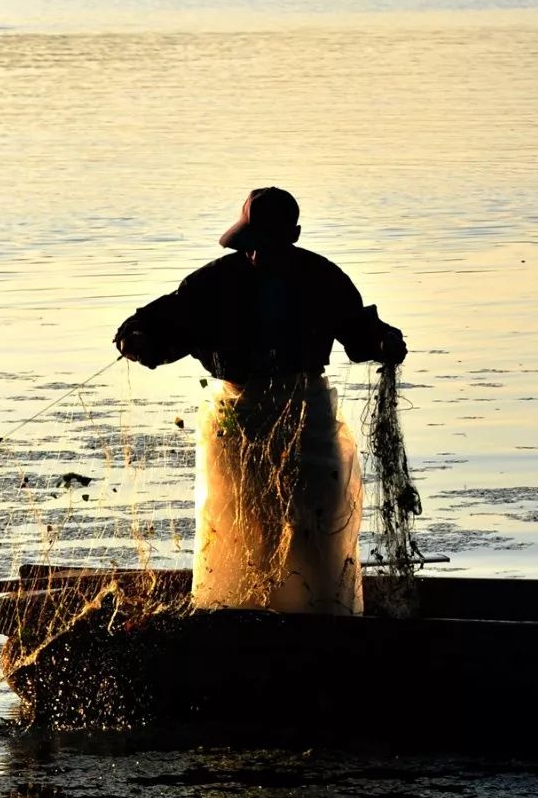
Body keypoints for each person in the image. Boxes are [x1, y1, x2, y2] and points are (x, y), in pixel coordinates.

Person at [114, 187, 407, 615]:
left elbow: (360, 331)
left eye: (268, 245)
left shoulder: (321, 278)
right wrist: (136, 337)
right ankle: (237, 606)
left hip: (306, 418)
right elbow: (163, 324)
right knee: (240, 520)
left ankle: (319, 613)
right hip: (239, 420)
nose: (259, 256)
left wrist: (385, 340)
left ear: (294, 236)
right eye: (252, 247)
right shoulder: (213, 282)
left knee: (314, 521)